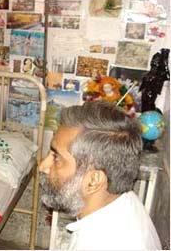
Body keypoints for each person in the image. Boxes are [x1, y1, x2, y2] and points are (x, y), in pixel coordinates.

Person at [40, 101, 161, 250]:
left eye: (56, 158)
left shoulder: (99, 243)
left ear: (93, 181)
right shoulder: (122, 201)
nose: (43, 167)